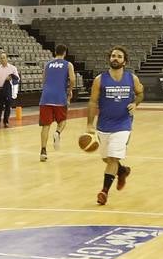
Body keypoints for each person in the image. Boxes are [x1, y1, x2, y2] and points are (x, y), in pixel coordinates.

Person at [87, 45, 144, 206]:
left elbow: (140, 93)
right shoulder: (100, 79)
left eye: (119, 56)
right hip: (103, 125)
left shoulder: (132, 78)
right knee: (106, 158)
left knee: (113, 157)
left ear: (125, 61)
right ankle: (122, 171)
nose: (115, 58)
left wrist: (136, 103)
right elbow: (92, 102)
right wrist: (89, 125)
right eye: (113, 56)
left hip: (123, 124)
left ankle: (104, 192)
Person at [39, 44, 74, 161]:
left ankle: (43, 151)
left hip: (46, 97)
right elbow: (73, 79)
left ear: (55, 52)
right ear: (65, 53)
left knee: (45, 125)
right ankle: (58, 133)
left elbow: (43, 80)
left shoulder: (47, 64)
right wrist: (69, 91)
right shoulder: (68, 64)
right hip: (59, 96)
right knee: (62, 121)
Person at [0, 52, 19, 127]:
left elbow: (17, 78)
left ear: (7, 58)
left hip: (8, 89)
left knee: (8, 106)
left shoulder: (12, 68)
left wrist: (11, 77)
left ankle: (6, 121)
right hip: (0, 89)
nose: (2, 59)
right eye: (1, 58)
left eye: (4, 57)